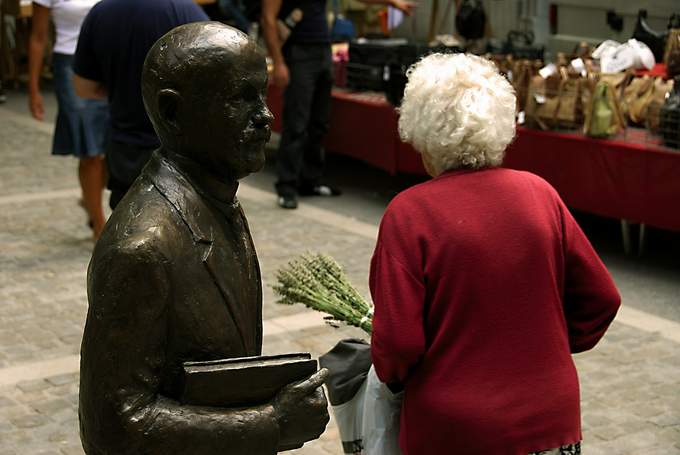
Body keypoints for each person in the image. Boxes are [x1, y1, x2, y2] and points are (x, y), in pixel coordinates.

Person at [79, 23, 330, 454]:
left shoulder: (217, 200)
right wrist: (272, 423)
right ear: (174, 112)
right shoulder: (143, 249)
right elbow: (115, 424)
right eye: (241, 98)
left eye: (263, 94)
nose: (266, 116)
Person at [369, 53, 621, 455]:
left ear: (421, 131)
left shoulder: (410, 212)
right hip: (550, 418)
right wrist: (546, 347)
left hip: (457, 431)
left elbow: (398, 343)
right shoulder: (540, 194)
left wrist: (401, 377)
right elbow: (602, 299)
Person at [261, 0, 416, 209]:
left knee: (320, 123)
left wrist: (392, 2)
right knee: (296, 123)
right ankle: (286, 186)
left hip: (323, 51)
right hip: (298, 53)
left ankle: (310, 181)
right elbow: (268, 19)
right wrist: (278, 62)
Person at [72, 0, 208, 210]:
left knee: (127, 227)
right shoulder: (187, 12)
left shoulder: (100, 13)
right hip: (179, 149)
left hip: (125, 150)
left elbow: (83, 88)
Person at [28, 0, 109, 239]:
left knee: (112, 144)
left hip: (106, 59)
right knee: (90, 149)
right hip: (69, 65)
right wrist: (34, 89)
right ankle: (98, 223)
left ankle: (89, 198)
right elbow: (38, 37)